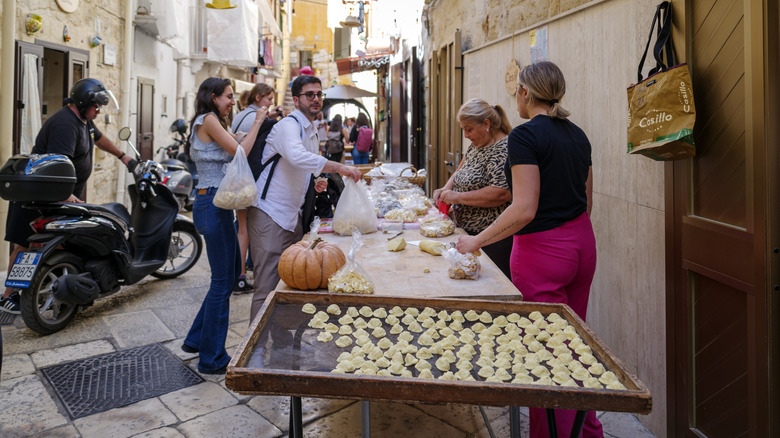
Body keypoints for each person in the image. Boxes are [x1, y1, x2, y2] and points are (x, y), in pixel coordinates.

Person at [456, 61, 600, 438]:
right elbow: (587, 202)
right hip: (582, 244)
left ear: (525, 93)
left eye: (516, 91)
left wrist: (475, 241)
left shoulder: (524, 137)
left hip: (542, 252)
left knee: (544, 356)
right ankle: (588, 430)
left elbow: (523, 208)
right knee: (574, 345)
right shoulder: (579, 135)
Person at [1, 78, 133, 315]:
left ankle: (58, 286)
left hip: (54, 196)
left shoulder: (84, 120)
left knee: (56, 241)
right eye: (96, 105)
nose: (99, 110)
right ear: (83, 103)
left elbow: (98, 138)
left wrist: (122, 155)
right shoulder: (65, 125)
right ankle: (7, 298)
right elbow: (59, 165)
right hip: (38, 196)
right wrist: (68, 195)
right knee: (23, 245)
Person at [247, 74, 362, 321]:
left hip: (293, 216)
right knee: (267, 287)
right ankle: (253, 352)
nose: (315, 99)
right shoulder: (288, 126)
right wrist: (340, 168)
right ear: (296, 99)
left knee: (289, 284)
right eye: (309, 95)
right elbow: (298, 157)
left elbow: (302, 168)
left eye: (319, 94)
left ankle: (280, 344)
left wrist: (313, 184)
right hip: (271, 214)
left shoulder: (310, 130)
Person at [182, 77, 266, 374]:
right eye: (228, 97)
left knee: (230, 274)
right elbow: (239, 152)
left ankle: (195, 340)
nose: (233, 101)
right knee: (221, 283)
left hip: (217, 205)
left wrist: (240, 132)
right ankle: (212, 358)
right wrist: (258, 120)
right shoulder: (208, 119)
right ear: (213, 97)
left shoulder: (213, 121)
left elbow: (228, 149)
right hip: (211, 205)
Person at [433, 98, 513, 278]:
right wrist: (445, 189)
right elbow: (459, 172)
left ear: (486, 124)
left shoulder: (503, 148)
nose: (466, 135)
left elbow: (501, 193)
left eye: (469, 129)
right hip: (468, 236)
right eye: (463, 130)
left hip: (491, 240)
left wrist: (457, 197)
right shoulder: (476, 146)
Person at [230, 83, 284, 293]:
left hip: (239, 176)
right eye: (269, 99)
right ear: (259, 97)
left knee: (242, 227)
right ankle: (240, 276)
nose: (271, 103)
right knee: (244, 230)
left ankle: (239, 273)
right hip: (248, 177)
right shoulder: (255, 117)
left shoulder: (240, 115)